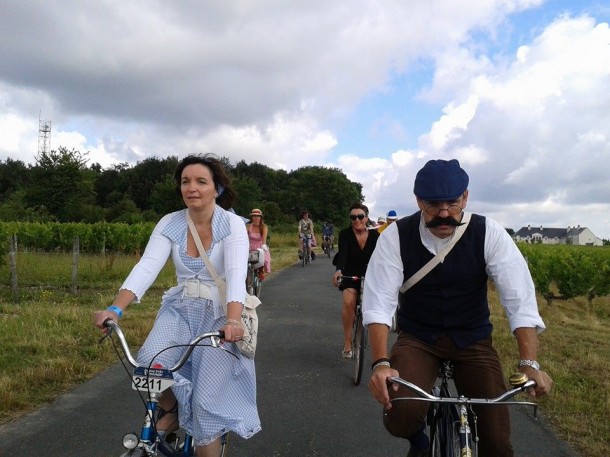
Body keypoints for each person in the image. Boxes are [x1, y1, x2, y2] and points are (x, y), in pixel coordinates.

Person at [364, 159, 553, 457]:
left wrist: (530, 363)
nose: (443, 214)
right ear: (418, 201)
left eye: (452, 203)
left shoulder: (488, 233)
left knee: (497, 441)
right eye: (432, 204)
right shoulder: (395, 237)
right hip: (419, 338)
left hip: (472, 338)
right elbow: (378, 303)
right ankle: (419, 441)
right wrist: (381, 364)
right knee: (402, 412)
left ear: (465, 197)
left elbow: (519, 300)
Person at [93, 154, 261, 457]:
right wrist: (115, 310)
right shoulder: (170, 222)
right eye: (185, 181)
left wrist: (233, 321)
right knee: (148, 363)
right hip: (179, 309)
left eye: (200, 181)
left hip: (220, 316)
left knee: (206, 403)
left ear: (216, 189)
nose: (192, 187)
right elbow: (147, 267)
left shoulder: (232, 224)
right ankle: (170, 411)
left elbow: (236, 275)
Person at [331, 203, 380, 358]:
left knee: (375, 306)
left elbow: (380, 257)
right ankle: (347, 342)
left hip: (370, 273)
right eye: (353, 217)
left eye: (360, 216)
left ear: (366, 217)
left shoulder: (375, 235)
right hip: (350, 272)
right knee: (348, 303)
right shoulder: (345, 234)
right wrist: (339, 270)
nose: (357, 220)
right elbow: (343, 254)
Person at [246, 208, 271, 280]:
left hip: (260, 246)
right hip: (250, 246)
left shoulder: (264, 227)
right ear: (252, 217)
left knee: (263, 257)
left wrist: (263, 247)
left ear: (260, 217)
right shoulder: (248, 226)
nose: (256, 218)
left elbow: (264, 240)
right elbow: (244, 237)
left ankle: (261, 270)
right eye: (254, 216)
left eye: (258, 216)